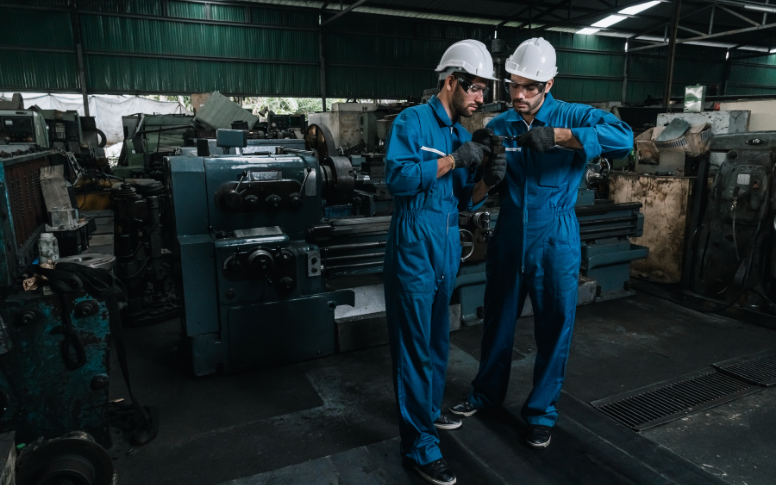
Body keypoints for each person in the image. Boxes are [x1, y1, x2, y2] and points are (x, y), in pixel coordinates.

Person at [449, 37, 633, 449]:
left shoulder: (573, 114)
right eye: (513, 85)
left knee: (554, 327)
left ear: (549, 84)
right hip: (510, 231)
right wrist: (486, 177)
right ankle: (485, 395)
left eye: (529, 87)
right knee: (497, 322)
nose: (518, 95)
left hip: (556, 235)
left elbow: (624, 139)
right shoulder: (498, 126)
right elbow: (471, 195)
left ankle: (541, 412)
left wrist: (563, 137)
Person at [383, 39, 507, 485]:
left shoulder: (458, 133)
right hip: (414, 244)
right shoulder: (412, 122)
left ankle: (427, 412)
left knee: (437, 343)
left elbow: (461, 197)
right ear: (451, 81)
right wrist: (456, 159)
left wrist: (489, 179)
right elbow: (397, 179)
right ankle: (417, 446)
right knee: (415, 351)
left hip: (446, 245)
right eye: (475, 88)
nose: (480, 99)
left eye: (484, 91)